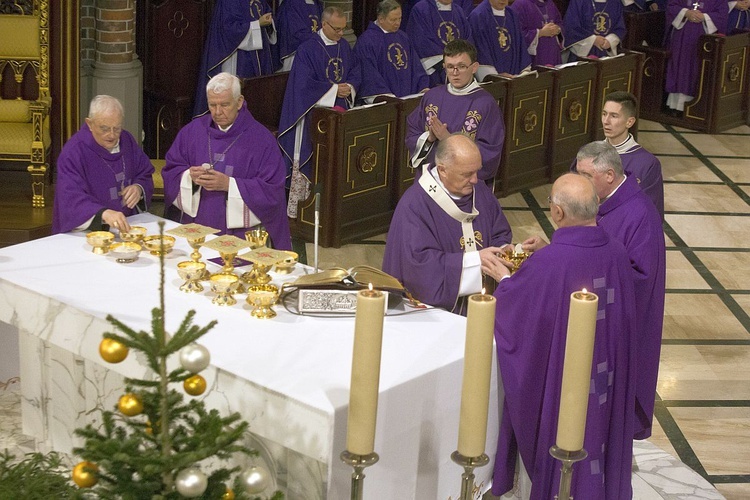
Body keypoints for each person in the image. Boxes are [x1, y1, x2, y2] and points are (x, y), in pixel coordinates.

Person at [491, 173, 637, 499]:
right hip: (606, 375)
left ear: (557, 213)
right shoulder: (615, 251)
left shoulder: (549, 263)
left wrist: (505, 280)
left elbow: (518, 317)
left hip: (567, 384)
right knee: (598, 433)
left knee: (568, 436)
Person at [537, 141, 664, 441]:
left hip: (616, 324)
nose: (580, 182)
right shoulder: (605, 203)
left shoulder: (639, 214)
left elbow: (638, 277)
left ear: (609, 175)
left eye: (585, 175)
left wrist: (574, 269)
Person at [382, 134, 512, 315]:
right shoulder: (415, 205)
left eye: (477, 171)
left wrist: (504, 249)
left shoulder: (480, 191)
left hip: (486, 305)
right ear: (442, 170)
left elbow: (499, 231)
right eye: (467, 174)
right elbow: (419, 267)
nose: (475, 180)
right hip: (438, 316)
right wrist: (475, 262)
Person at [162, 72, 292, 250]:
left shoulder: (261, 140)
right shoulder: (192, 132)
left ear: (239, 102)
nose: (217, 112)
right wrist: (188, 177)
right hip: (196, 227)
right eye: (212, 105)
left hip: (241, 234)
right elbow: (171, 170)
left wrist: (229, 185)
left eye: (224, 105)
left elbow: (272, 190)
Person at [277, 6, 361, 217]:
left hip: (339, 114)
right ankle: (304, 209)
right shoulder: (308, 49)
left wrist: (349, 87)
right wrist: (334, 89)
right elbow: (303, 85)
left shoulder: (343, 46)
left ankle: (333, 208)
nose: (341, 34)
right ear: (324, 24)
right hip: (312, 116)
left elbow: (355, 71)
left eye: (343, 29)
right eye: (336, 29)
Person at [405, 39, 505, 184]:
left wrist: (449, 140)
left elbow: (491, 152)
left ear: (474, 67)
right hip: (431, 180)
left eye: (461, 66)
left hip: (464, 184)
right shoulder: (432, 97)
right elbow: (412, 132)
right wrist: (429, 138)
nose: (455, 73)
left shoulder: (485, 104)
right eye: (450, 67)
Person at [52, 95, 154, 235]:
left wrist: (138, 188)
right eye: (104, 129)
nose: (111, 135)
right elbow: (70, 197)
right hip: (87, 232)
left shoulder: (127, 140)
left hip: (128, 225)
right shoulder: (74, 152)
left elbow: (144, 172)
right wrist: (103, 213)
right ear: (89, 124)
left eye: (117, 128)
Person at [193, 0, 278, 117]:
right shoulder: (228, 2)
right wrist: (257, 24)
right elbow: (228, 30)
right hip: (238, 57)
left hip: (260, 56)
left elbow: (268, 16)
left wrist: (269, 22)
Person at [600, 91, 664, 217]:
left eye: (614, 116)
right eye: (604, 114)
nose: (606, 121)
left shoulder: (647, 164)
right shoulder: (588, 154)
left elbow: (650, 213)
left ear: (629, 122)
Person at [353, 0, 430, 103]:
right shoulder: (367, 41)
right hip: (385, 103)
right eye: (393, 20)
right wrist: (387, 97)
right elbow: (369, 74)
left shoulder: (403, 37)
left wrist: (423, 87)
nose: (397, 23)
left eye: (400, 18)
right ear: (381, 19)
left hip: (408, 99)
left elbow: (415, 66)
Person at [664, 0, 727, 113]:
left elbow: (722, 13)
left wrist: (704, 17)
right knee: (680, 67)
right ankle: (675, 106)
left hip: (705, 37)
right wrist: (686, 13)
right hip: (682, 33)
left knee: (698, 69)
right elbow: (671, 5)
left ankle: (697, 106)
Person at [406, 0, 474, 87]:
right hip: (436, 71)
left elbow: (467, 38)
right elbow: (420, 40)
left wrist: (461, 62)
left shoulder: (458, 10)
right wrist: (447, 64)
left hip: (461, 68)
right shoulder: (421, 9)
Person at [469, 0, 532, 77]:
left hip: (515, 77)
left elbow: (520, 44)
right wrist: (495, 76)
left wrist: (523, 71)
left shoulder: (512, 15)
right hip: (493, 79)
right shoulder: (478, 16)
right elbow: (481, 50)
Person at [509, 0, 564, 66]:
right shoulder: (519, 5)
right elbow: (515, 34)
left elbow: (559, 22)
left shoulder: (550, 3)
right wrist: (540, 33)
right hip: (534, 58)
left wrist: (557, 29)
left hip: (553, 54)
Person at [276, 0, 324, 71]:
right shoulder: (290, 4)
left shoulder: (317, 4)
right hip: (296, 53)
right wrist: (319, 39)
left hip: (316, 51)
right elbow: (293, 32)